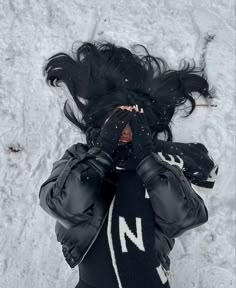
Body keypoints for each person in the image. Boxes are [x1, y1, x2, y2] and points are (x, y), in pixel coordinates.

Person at [39, 42, 219, 288]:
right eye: (118, 118)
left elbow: (186, 217)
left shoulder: (160, 165)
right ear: (103, 119)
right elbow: (61, 206)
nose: (125, 128)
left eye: (133, 119)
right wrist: (102, 151)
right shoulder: (77, 157)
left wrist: (147, 158)